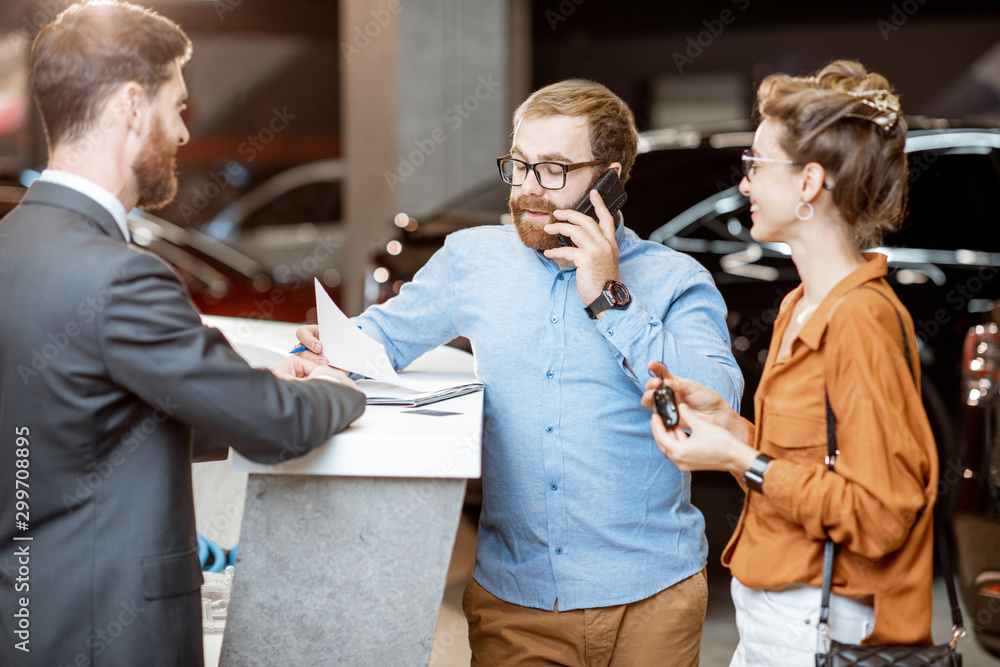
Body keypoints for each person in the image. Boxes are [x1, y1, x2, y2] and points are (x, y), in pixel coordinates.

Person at [296, 79, 743, 665]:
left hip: (653, 600)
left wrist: (609, 295)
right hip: (516, 606)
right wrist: (320, 359)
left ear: (609, 179)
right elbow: (377, 340)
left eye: (554, 169)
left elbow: (714, 402)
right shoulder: (471, 259)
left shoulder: (676, 280)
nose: (529, 190)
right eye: (522, 165)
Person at [0, 3, 366, 666]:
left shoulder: (9, 247)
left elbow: (73, 418)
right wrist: (342, 389)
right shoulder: (122, 277)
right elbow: (275, 424)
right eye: (178, 107)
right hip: (106, 633)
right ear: (132, 107)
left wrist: (241, 384)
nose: (183, 132)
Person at [643, 60, 937, 666]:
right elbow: (805, 468)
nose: (744, 184)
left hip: (824, 623)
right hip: (777, 615)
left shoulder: (861, 318)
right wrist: (729, 427)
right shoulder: (801, 303)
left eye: (756, 165)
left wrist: (738, 458)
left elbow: (880, 513)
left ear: (808, 183)